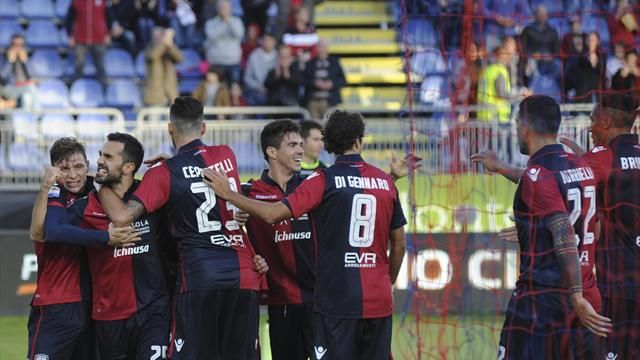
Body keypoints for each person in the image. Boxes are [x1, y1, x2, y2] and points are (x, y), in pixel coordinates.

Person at [204, 110, 407, 359]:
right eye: (293, 145)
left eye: (302, 144)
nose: (300, 150)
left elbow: (351, 195)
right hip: (287, 302)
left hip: (324, 300)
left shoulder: (316, 182)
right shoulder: (250, 191)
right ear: (272, 152)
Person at [96, 96, 266, 359]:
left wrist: (103, 183)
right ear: (204, 128)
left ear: (169, 128)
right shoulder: (227, 154)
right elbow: (201, 173)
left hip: (200, 276)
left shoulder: (164, 172)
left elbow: (120, 217)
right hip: (243, 273)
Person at [472, 96, 612, 359]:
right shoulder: (581, 165)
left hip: (544, 302)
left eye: (516, 125)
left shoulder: (539, 175)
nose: (515, 131)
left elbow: (564, 233)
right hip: (588, 291)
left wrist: (575, 296)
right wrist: (535, 231)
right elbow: (593, 224)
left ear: (525, 127)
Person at [44, 133, 171, 359]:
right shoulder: (85, 205)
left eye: (108, 157)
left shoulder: (150, 196)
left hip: (153, 312)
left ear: (128, 167)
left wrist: (173, 165)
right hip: (108, 317)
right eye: (101, 154)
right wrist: (105, 237)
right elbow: (51, 231)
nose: (100, 160)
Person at [27, 138, 137, 360]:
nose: (72, 175)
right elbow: (52, 232)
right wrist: (105, 237)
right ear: (54, 171)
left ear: (88, 164)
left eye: (78, 166)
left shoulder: (97, 191)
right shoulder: (54, 193)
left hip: (92, 307)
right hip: (56, 305)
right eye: (64, 168)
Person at [560, 94, 640, 360]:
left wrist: (501, 167)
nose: (589, 127)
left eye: (592, 119)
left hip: (619, 285)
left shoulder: (605, 155)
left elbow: (555, 182)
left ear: (606, 122)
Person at [477, 36, 531, 124]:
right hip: (496, 120)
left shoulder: (488, 70)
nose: (513, 55)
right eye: (512, 51)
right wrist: (521, 94)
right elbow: (502, 94)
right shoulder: (499, 71)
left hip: (484, 118)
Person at [66, 0, 110, 86]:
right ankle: (76, 88)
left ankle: (104, 90)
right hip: (80, 39)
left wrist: (108, 33)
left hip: (98, 38)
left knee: (100, 65)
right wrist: (70, 35)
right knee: (79, 65)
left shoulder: (103, 1)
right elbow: (69, 18)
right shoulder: (76, 1)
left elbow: (109, 17)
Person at [302, 39, 347, 120]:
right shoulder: (310, 63)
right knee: (314, 128)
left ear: (327, 48)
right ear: (317, 48)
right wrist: (315, 83)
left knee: (330, 128)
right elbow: (304, 80)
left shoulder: (335, 62)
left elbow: (343, 81)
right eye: (320, 46)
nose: (322, 49)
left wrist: (331, 84)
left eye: (324, 47)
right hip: (313, 102)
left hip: (330, 101)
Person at [204, 0, 245, 85]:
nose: (224, 10)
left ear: (230, 8)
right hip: (216, 61)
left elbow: (239, 34)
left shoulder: (237, 21)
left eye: (226, 7)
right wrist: (224, 23)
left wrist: (228, 21)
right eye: (221, 7)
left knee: (234, 89)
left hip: (233, 61)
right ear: (217, 9)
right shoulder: (210, 23)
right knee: (216, 90)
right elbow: (212, 36)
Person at [143, 27, 183, 107]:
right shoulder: (149, 48)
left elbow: (180, 59)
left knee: (171, 119)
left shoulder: (168, 49)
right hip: (155, 94)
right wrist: (164, 42)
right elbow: (153, 56)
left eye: (161, 35)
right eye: (155, 35)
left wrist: (170, 44)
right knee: (153, 119)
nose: (158, 38)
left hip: (170, 93)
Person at [564, 32, 606, 103]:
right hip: (583, 91)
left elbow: (602, 72)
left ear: (598, 42)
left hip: (597, 90)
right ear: (586, 41)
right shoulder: (581, 56)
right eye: (590, 40)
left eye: (593, 40)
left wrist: (595, 61)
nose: (591, 43)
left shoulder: (603, 56)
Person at [0, 34, 39, 110]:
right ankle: (39, 115)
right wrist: (10, 61)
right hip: (9, 88)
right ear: (11, 45)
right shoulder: (3, 56)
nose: (18, 47)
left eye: (21, 45)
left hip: (24, 87)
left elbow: (33, 76)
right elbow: (3, 77)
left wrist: (25, 61)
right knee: (31, 87)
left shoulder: (28, 56)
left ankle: (28, 119)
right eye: (15, 45)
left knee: (27, 98)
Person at [243, 33, 278, 106]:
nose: (267, 42)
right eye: (265, 39)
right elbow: (247, 77)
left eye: (269, 40)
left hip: (274, 89)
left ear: (274, 42)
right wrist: (258, 86)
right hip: (257, 90)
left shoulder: (279, 56)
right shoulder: (254, 55)